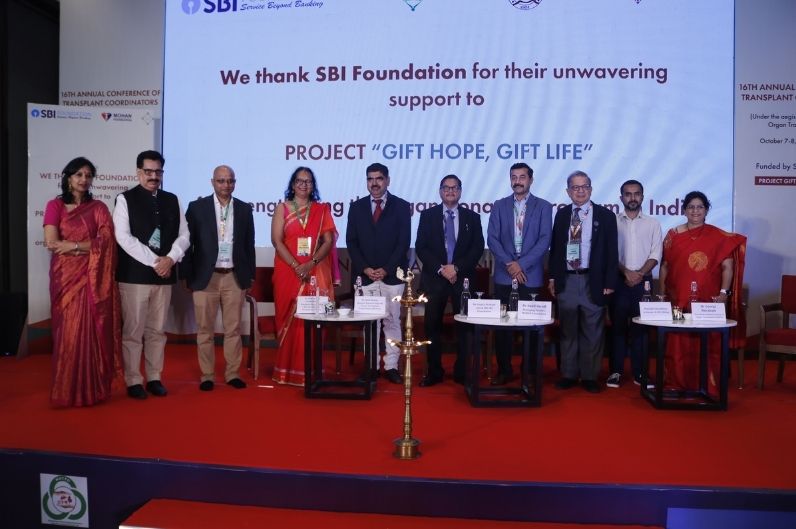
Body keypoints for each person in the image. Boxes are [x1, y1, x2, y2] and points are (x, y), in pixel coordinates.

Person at [43, 157, 121, 407]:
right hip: (65, 278)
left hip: (92, 277)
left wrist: (74, 247)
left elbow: (107, 242)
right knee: (68, 333)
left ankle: (92, 389)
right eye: (79, 175)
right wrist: (82, 247)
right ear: (68, 178)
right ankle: (67, 389)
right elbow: (52, 243)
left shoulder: (98, 208)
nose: (84, 179)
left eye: (88, 175)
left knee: (92, 332)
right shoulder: (55, 206)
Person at [114, 150, 190, 399]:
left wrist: (171, 258)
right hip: (134, 276)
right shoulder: (125, 199)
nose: (153, 176)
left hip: (164, 275)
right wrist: (155, 261)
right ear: (139, 172)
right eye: (148, 171)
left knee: (157, 330)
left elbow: (184, 235)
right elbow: (123, 237)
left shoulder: (172, 199)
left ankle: (154, 377)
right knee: (133, 331)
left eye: (158, 172)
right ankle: (133, 380)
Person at [658, 190, 746, 391]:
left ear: (706, 210)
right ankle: (677, 382)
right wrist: (662, 294)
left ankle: (708, 384)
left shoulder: (718, 237)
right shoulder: (673, 235)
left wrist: (724, 293)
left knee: (709, 340)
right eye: (691, 207)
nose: (695, 211)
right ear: (684, 210)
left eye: (700, 207)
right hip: (678, 300)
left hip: (709, 300)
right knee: (678, 340)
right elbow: (665, 267)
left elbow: (728, 267)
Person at [184, 165, 255, 391]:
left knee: (233, 330)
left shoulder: (244, 209)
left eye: (230, 181)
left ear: (235, 183)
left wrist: (250, 276)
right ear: (212, 182)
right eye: (221, 180)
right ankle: (207, 375)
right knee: (205, 330)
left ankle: (232, 373)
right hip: (205, 277)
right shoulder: (197, 208)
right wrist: (188, 276)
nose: (226, 185)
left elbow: (249, 245)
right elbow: (187, 244)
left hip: (234, 276)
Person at [549, 170, 618, 394]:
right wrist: (553, 277)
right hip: (568, 279)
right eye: (575, 187)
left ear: (591, 189)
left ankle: (589, 376)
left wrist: (610, 282)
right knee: (568, 330)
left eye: (585, 186)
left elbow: (612, 252)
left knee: (593, 331)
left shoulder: (605, 216)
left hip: (593, 280)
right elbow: (555, 249)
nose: (580, 191)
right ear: (568, 191)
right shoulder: (561, 215)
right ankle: (569, 374)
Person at [415, 175, 484, 386]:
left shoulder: (472, 217)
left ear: (460, 191)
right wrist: (441, 269)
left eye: (454, 188)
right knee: (432, 326)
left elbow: (477, 248)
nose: (450, 191)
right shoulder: (427, 216)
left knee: (465, 326)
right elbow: (421, 247)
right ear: (440, 191)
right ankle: (434, 372)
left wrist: (456, 268)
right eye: (446, 187)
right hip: (435, 279)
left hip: (462, 279)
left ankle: (462, 372)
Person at [487, 162, 553, 386]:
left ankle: (529, 372)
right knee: (503, 327)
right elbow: (492, 239)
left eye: (522, 177)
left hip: (530, 275)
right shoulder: (499, 205)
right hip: (504, 275)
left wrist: (521, 265)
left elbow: (544, 240)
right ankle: (504, 371)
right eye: (514, 177)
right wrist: (510, 264)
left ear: (530, 180)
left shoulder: (543, 206)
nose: (517, 181)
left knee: (531, 327)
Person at [346, 163, 411, 384]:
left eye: (379, 178)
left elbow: (403, 243)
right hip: (366, 276)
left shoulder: (401, 206)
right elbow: (351, 242)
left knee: (392, 322)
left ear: (387, 181)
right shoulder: (356, 208)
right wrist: (365, 268)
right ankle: (371, 367)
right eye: (370, 179)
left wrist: (386, 269)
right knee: (370, 323)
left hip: (392, 276)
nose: (374, 183)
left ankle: (391, 366)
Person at [271, 167, 336, 386]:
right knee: (290, 318)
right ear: (292, 184)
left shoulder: (321, 210)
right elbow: (277, 241)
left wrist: (310, 264)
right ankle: (285, 371)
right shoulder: (282, 208)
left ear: (313, 185)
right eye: (299, 181)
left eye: (308, 181)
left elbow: (328, 241)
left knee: (312, 318)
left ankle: (309, 371)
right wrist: (296, 265)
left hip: (314, 271)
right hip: (287, 271)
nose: (303, 185)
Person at [607, 179, 662, 388]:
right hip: (619, 280)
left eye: (636, 194)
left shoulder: (653, 223)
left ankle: (641, 373)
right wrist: (626, 273)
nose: (632, 198)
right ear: (621, 198)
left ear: (642, 197)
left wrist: (639, 274)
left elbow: (656, 254)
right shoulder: (612, 222)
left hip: (643, 283)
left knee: (641, 329)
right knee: (618, 328)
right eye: (628, 194)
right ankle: (616, 371)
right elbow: (610, 254)